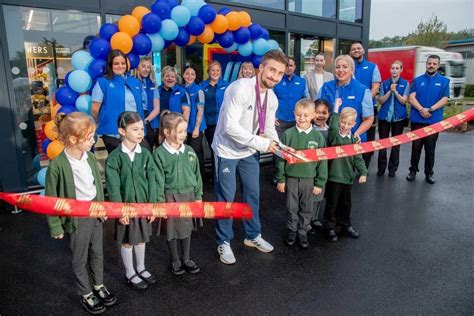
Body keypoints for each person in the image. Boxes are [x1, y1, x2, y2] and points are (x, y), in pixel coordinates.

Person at [212, 50, 289, 265]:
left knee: (252, 195)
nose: (275, 76)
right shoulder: (239, 89)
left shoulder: (271, 98)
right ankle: (224, 241)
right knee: (226, 198)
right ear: (261, 67)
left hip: (248, 151)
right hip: (226, 150)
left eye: (280, 73)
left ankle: (252, 235)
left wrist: (282, 147)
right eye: (272, 70)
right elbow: (229, 128)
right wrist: (264, 144)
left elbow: (267, 129)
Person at [45, 112, 116, 314]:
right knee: (80, 257)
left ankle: (98, 285)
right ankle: (86, 293)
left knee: (97, 252)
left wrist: (101, 207)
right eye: (89, 137)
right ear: (73, 139)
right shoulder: (57, 165)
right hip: (77, 218)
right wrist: (55, 225)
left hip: (94, 212)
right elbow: (52, 199)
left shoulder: (91, 157)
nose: (93, 140)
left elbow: (97, 185)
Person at [105, 111, 158, 291]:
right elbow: (113, 187)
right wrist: (120, 211)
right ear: (122, 131)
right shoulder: (114, 158)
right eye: (135, 129)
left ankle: (141, 268)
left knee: (141, 238)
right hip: (126, 208)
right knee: (127, 240)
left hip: (143, 205)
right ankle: (130, 272)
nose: (140, 133)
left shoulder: (145, 154)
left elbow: (152, 180)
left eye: (141, 129)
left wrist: (152, 205)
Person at [154, 111, 202, 275]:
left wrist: (198, 196)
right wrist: (160, 201)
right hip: (170, 197)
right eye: (180, 131)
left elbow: (197, 175)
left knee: (186, 228)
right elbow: (158, 180)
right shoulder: (159, 154)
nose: (184, 135)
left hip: (188, 196)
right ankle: (175, 260)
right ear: (167, 132)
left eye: (184, 131)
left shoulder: (189, 150)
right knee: (172, 230)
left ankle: (186, 258)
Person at [275, 99, 328, 249]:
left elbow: (322, 162)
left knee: (306, 207)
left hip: (309, 179)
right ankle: (292, 230)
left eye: (305, 115)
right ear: (294, 114)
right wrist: (281, 179)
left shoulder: (318, 138)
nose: (302, 118)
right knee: (292, 207)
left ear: (313, 116)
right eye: (298, 115)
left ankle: (303, 231)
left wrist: (319, 182)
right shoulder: (288, 134)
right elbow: (280, 158)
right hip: (291, 178)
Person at [324, 101, 368, 242]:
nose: (345, 126)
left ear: (354, 125)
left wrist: (363, 173)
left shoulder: (354, 140)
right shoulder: (335, 136)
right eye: (343, 122)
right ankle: (330, 227)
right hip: (334, 177)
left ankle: (345, 225)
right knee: (332, 203)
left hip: (348, 178)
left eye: (349, 124)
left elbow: (358, 158)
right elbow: (332, 126)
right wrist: (336, 108)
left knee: (346, 204)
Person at [91, 49, 150, 153]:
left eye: (123, 63)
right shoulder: (103, 82)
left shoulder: (135, 82)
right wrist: (102, 123)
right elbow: (94, 110)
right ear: (110, 65)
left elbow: (141, 107)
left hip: (135, 131)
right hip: (113, 133)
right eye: (116, 63)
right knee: (120, 164)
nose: (120, 66)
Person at [406, 55, 449, 184]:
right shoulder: (417, 80)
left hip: (433, 120)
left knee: (430, 149)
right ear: (426, 64)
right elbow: (411, 98)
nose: (431, 65)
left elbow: (444, 99)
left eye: (434, 64)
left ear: (438, 65)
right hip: (417, 120)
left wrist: (430, 109)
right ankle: (413, 171)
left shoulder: (444, 81)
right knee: (416, 147)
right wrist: (421, 110)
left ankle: (429, 173)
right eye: (429, 63)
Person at [318, 55, 374, 143]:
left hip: (353, 141)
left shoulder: (362, 90)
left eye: (345, 67)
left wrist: (355, 135)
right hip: (329, 140)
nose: (340, 70)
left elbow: (368, 119)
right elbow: (316, 114)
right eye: (337, 67)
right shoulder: (325, 88)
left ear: (352, 70)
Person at [350, 42, 381, 168]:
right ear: (350, 52)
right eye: (353, 49)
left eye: (358, 48)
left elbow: (376, 86)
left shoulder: (373, 67)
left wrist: (365, 100)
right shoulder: (348, 67)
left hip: (367, 108)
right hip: (350, 107)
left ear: (363, 50)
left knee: (367, 139)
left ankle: (364, 167)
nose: (356, 50)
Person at [377, 61, 410, 177]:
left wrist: (395, 92)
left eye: (397, 68)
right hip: (384, 117)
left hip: (398, 118)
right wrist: (389, 91)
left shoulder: (405, 84)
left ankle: (392, 169)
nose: (394, 70)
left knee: (396, 145)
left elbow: (404, 100)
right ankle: (381, 168)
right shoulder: (384, 83)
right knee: (383, 144)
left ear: (401, 70)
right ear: (390, 70)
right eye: (392, 68)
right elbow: (381, 100)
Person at [201, 61, 229, 179]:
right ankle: (215, 175)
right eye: (213, 70)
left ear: (221, 72)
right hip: (210, 123)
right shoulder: (202, 86)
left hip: (224, 123)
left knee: (225, 149)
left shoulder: (226, 85)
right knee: (214, 149)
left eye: (218, 70)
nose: (215, 72)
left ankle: (225, 174)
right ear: (208, 72)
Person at [309, 99, 331, 233]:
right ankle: (306, 220)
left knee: (320, 193)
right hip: (311, 168)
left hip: (323, 168)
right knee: (309, 194)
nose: (320, 115)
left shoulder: (331, 130)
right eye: (317, 112)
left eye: (324, 112)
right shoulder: (310, 130)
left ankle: (314, 217)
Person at [274, 57, 309, 139]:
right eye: (286, 65)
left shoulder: (302, 81)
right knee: (279, 147)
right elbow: (269, 101)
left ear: (294, 67)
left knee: (295, 146)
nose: (288, 68)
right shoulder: (276, 81)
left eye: (291, 65)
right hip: (280, 121)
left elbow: (307, 101)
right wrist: (272, 117)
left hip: (297, 121)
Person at [182, 65, 206, 178]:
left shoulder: (198, 90)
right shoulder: (181, 89)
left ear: (195, 76)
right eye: (187, 73)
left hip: (195, 127)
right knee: (186, 153)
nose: (189, 76)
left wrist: (196, 128)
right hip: (184, 128)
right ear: (183, 75)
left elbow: (200, 110)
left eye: (192, 74)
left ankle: (200, 178)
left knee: (196, 152)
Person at [134, 57, 160, 148]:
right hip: (135, 116)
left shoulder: (153, 85)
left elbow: (157, 108)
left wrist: (146, 120)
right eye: (143, 66)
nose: (146, 69)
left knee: (148, 148)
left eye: (148, 67)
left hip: (149, 119)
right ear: (137, 67)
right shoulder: (132, 82)